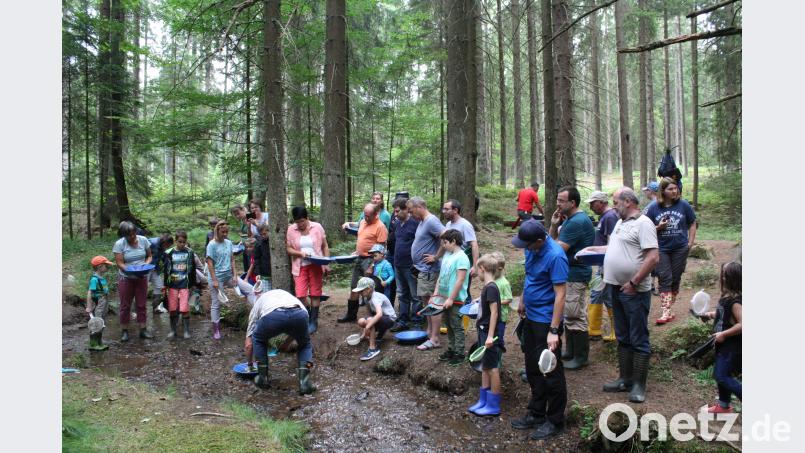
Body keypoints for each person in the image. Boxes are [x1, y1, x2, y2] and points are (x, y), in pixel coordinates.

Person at [582, 188, 659, 403]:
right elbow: (618, 248)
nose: (613, 206)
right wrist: (595, 250)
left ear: (628, 201)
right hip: (615, 287)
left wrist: (634, 282)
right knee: (623, 336)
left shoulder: (644, 223)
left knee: (638, 337)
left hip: (635, 290)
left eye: (616, 202)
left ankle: (638, 385)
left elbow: (653, 257)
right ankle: (625, 379)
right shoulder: (619, 223)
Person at [510, 219, 569, 440]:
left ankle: (555, 420)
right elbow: (529, 276)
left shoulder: (555, 256)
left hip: (547, 321)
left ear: (540, 240)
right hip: (531, 317)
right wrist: (523, 300)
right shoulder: (531, 248)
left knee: (550, 370)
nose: (524, 248)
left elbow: (561, 295)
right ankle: (536, 413)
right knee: (533, 368)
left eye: (527, 244)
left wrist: (553, 330)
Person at [548, 186, 595, 370]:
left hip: (576, 274)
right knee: (569, 312)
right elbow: (553, 245)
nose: (557, 204)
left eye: (561, 201)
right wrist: (554, 225)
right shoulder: (569, 220)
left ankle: (580, 357)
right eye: (557, 200)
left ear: (572, 203)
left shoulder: (577, 222)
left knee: (575, 314)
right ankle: (571, 351)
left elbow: (556, 250)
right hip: (569, 273)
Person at [645, 177, 697, 324]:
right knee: (664, 278)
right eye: (670, 189)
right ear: (663, 191)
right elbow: (645, 228)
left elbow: (693, 223)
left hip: (680, 248)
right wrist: (658, 227)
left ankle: (669, 308)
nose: (674, 191)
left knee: (676, 278)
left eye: (675, 188)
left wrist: (690, 243)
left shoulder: (683, 205)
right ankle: (665, 311)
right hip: (661, 248)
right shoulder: (653, 207)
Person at [245, 289, 316, 395]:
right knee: (305, 345)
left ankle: (262, 378)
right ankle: (305, 382)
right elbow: (295, 330)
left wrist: (250, 365)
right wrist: (285, 344)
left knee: (258, 339)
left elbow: (249, 345)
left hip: (273, 317)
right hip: (300, 314)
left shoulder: (257, 304)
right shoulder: (285, 295)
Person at [468, 254, 506, 416]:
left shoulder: (491, 287)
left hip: (490, 334)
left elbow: (495, 313)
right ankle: (483, 400)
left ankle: (493, 405)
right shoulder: (488, 286)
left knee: (493, 368)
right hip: (483, 330)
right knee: (485, 366)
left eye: (478, 270)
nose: (477, 273)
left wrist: (490, 336)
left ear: (483, 269)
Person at [338, 203, 389, 323]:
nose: (366, 218)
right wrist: (358, 251)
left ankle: (375, 317)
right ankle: (351, 315)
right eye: (364, 215)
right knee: (354, 287)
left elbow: (381, 250)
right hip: (359, 258)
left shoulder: (380, 227)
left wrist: (372, 265)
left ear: (376, 214)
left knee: (370, 290)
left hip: (371, 260)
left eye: (368, 216)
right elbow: (363, 239)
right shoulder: (363, 222)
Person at [702, 261, 742, 414]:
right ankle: (723, 405)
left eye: (726, 275)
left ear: (734, 278)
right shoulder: (726, 297)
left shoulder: (736, 302)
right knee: (722, 374)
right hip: (723, 346)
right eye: (722, 274)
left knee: (721, 376)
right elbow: (726, 315)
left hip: (732, 347)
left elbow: (743, 324)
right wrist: (712, 314)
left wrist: (724, 334)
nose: (722, 278)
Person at [409, 197, 445, 350]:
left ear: (419, 207)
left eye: (411, 211)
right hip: (422, 270)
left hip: (430, 270)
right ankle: (430, 332)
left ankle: (435, 339)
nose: (411, 215)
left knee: (433, 303)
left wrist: (436, 257)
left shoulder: (431, 221)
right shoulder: (423, 221)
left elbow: (447, 236)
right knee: (426, 302)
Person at [428, 229, 470, 364]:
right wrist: (435, 294)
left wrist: (451, 298)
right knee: (448, 325)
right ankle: (451, 349)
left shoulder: (462, 257)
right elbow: (441, 276)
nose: (443, 245)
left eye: (445, 242)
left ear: (454, 241)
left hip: (456, 299)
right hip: (443, 297)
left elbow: (460, 279)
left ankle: (459, 353)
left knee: (456, 326)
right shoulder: (447, 255)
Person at [207, 221, 253, 340]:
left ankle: (255, 315)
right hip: (216, 277)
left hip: (229, 275)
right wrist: (214, 280)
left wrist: (235, 275)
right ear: (217, 231)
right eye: (223, 232)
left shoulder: (228, 242)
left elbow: (232, 259)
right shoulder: (211, 245)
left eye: (227, 232)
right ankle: (216, 330)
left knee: (250, 289)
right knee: (216, 303)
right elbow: (210, 263)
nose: (225, 234)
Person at [286, 206, 329, 333]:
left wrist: (326, 263)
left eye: (302, 221)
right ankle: (309, 315)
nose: (300, 224)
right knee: (300, 295)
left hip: (316, 265)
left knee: (315, 293)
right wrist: (300, 253)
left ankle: (313, 321)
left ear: (307, 218)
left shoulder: (317, 227)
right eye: (297, 222)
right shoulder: (291, 229)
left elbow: (325, 246)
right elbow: (288, 249)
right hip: (299, 266)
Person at [586, 190, 620, 342]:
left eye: (592, 203)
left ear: (601, 202)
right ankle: (595, 330)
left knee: (603, 295)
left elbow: (613, 243)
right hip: (602, 263)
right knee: (601, 295)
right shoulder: (605, 217)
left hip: (606, 264)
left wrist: (594, 250)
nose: (591, 207)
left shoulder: (610, 217)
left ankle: (611, 331)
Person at [113, 221, 154, 341]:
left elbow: (149, 256)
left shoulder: (143, 240)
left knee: (141, 304)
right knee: (125, 305)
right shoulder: (119, 244)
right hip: (126, 278)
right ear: (123, 235)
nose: (132, 236)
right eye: (129, 235)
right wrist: (131, 270)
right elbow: (119, 263)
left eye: (133, 233)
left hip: (142, 277)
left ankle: (143, 330)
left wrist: (145, 265)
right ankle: (124, 331)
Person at [389, 197, 422, 332]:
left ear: (406, 210)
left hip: (411, 265)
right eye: (394, 211)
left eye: (397, 211)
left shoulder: (415, 223)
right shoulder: (397, 224)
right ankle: (403, 320)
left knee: (415, 295)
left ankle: (417, 321)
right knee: (402, 294)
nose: (395, 214)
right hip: (398, 264)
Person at [161, 231, 197, 339]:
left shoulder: (189, 252)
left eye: (184, 242)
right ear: (175, 241)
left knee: (184, 308)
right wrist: (165, 285)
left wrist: (193, 284)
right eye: (180, 242)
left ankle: (186, 331)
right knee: (172, 308)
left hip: (185, 284)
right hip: (172, 284)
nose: (182, 244)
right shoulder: (169, 253)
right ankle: (173, 330)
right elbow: (166, 270)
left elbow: (193, 269)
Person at [442, 199, 480, 301]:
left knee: (463, 290)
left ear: (455, 210)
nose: (444, 211)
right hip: (450, 263)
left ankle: (466, 310)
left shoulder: (465, 225)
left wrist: (475, 266)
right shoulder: (448, 224)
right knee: (452, 288)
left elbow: (474, 245)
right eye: (443, 209)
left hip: (462, 263)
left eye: (447, 209)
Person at [354, 277, 398, 361]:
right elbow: (370, 314)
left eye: (361, 291)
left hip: (390, 319)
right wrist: (364, 333)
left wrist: (368, 327)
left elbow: (379, 314)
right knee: (361, 321)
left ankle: (373, 349)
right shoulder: (366, 298)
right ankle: (379, 336)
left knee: (370, 321)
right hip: (382, 318)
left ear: (369, 289)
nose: (359, 293)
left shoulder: (375, 297)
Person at [86, 256, 114, 351]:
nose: (108, 267)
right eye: (106, 266)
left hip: (104, 301)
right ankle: (93, 344)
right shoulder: (94, 279)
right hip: (98, 302)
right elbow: (90, 292)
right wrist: (89, 306)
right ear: (100, 267)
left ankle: (99, 341)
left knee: (102, 322)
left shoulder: (101, 278)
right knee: (96, 322)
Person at [148, 234, 173, 314]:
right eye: (167, 245)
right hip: (145, 268)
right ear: (164, 242)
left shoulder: (163, 247)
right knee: (142, 288)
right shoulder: (151, 242)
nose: (168, 247)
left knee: (159, 287)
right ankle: (136, 311)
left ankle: (155, 308)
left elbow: (164, 259)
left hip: (155, 269)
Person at [253, 223, 274, 292]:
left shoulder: (274, 242)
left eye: (265, 234)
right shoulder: (259, 244)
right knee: (267, 293)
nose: (263, 236)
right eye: (261, 234)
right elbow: (256, 259)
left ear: (269, 231)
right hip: (265, 274)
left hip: (275, 272)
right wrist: (258, 272)